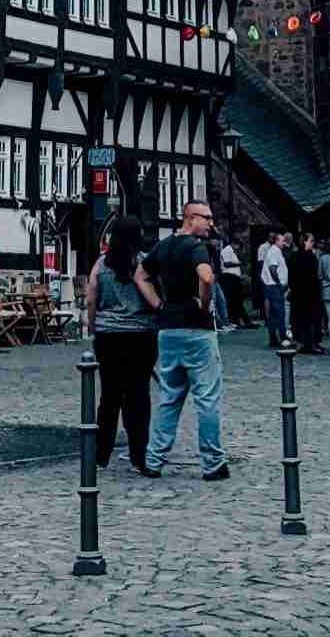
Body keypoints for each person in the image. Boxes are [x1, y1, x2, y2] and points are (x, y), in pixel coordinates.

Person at [144, 200, 228, 482]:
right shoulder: (195, 246)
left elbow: (140, 275)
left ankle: (153, 460)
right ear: (190, 218)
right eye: (207, 218)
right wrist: (205, 305)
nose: (210, 223)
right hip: (197, 331)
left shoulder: (164, 246)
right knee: (207, 398)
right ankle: (213, 463)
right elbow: (206, 276)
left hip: (168, 330)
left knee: (169, 397)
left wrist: (158, 305)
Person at [84, 215, 161, 475]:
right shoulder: (143, 263)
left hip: (109, 336)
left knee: (109, 395)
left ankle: (101, 453)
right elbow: (156, 296)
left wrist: (94, 327)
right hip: (141, 335)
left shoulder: (101, 264)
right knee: (138, 395)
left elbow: (91, 298)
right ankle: (139, 454)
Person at [287, 231, 324, 352]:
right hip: (308, 293)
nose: (313, 243)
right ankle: (310, 343)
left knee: (302, 319)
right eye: (311, 241)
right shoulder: (310, 257)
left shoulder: (295, 256)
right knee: (309, 319)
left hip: (301, 293)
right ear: (304, 242)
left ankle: (304, 342)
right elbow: (315, 276)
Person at [257, 230, 289, 347]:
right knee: (279, 313)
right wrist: (279, 283)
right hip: (274, 286)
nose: (284, 243)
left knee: (274, 314)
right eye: (282, 240)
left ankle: (274, 338)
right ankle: (282, 337)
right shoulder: (274, 252)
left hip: (272, 285)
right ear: (276, 241)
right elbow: (272, 268)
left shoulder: (275, 251)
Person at [217, 237, 249, 328]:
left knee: (236, 300)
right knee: (234, 300)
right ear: (234, 244)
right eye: (238, 246)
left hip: (234, 278)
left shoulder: (232, 251)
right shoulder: (227, 250)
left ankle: (239, 320)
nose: (238, 248)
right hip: (229, 277)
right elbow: (227, 263)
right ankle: (238, 320)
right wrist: (239, 263)